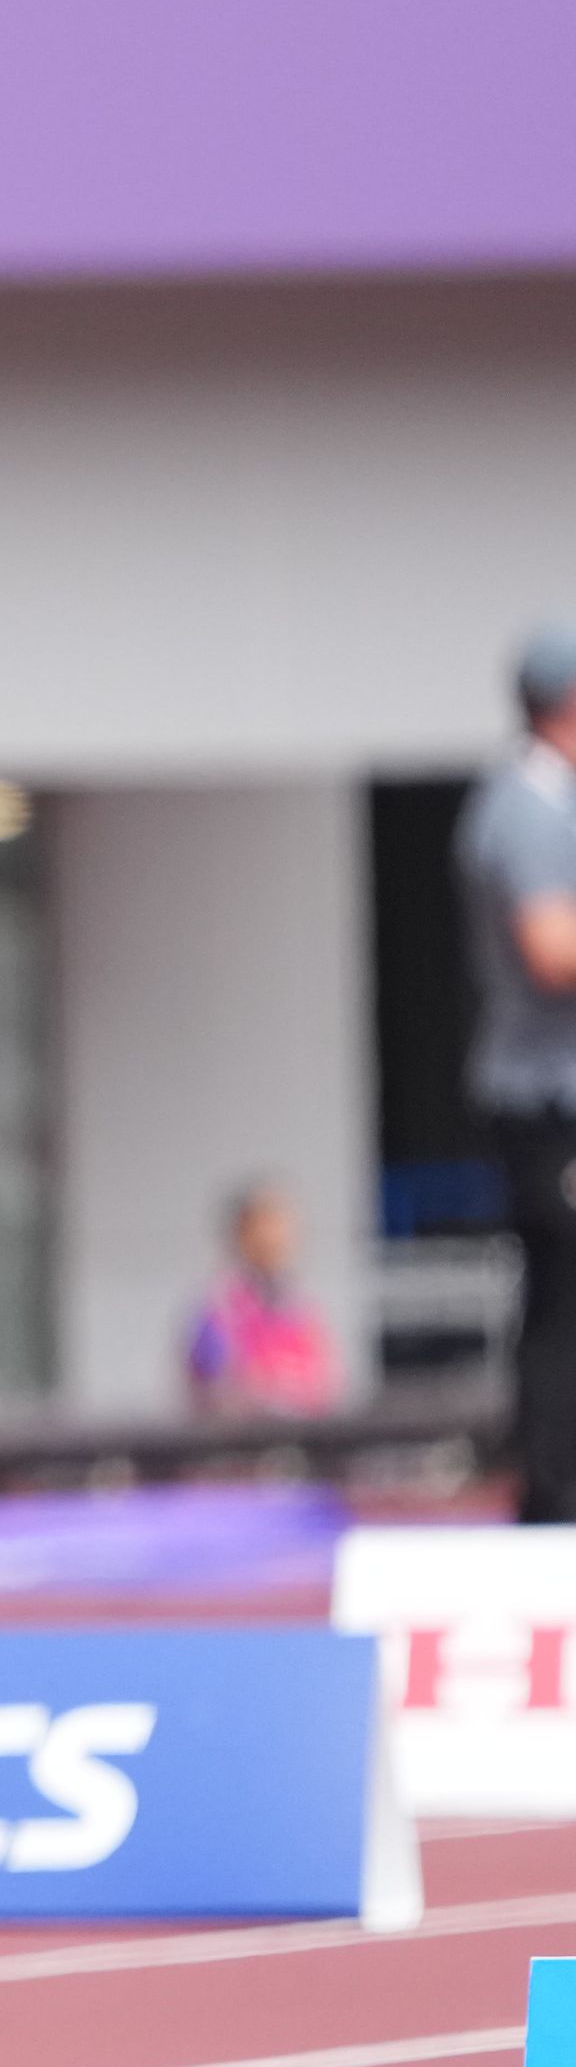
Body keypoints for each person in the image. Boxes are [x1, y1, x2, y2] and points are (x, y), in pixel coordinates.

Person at [461, 619, 576, 1519]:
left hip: (549, 1088)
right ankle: (553, 1491)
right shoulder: (529, 809)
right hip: (547, 1097)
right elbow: (550, 948)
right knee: (563, 1297)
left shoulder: (545, 801)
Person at [184, 1178, 338, 1419]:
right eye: (268, 1223)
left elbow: (323, 1385)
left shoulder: (301, 1309)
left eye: (284, 1226)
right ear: (242, 1234)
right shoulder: (219, 1310)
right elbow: (212, 1391)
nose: (278, 1237)